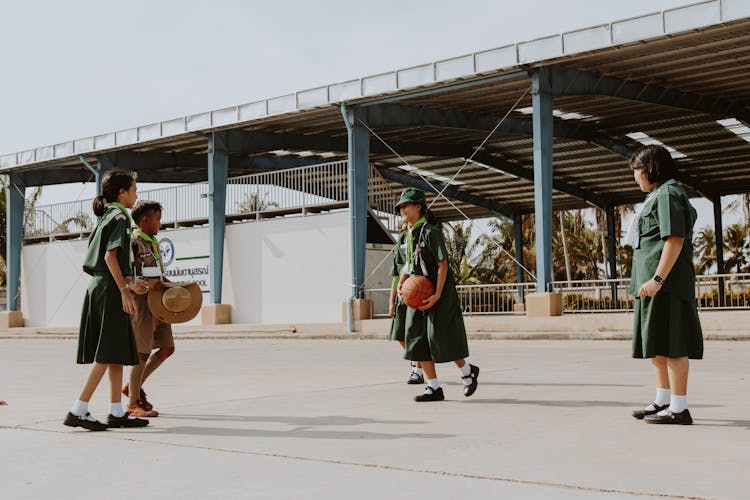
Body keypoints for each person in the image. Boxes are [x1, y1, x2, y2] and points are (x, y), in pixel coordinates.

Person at [63, 170, 150, 431]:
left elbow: (109, 260)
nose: (136, 195)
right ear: (122, 192)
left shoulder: (106, 215)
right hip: (110, 290)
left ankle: (115, 411)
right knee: (107, 352)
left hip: (101, 286)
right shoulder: (121, 217)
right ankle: (78, 409)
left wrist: (131, 284)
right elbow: (109, 258)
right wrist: (125, 290)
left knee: (114, 353)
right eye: (134, 190)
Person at [628, 145, 703, 425]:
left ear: (651, 169)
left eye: (637, 170)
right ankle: (663, 400)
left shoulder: (669, 194)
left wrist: (658, 279)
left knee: (674, 345)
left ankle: (679, 408)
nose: (635, 176)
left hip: (666, 286)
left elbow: (674, 239)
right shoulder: (656, 196)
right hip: (651, 286)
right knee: (656, 344)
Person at [395, 188, 479, 402]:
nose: (402, 209)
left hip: (437, 291)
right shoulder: (409, 234)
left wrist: (438, 294)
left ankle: (468, 371)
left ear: (418, 207)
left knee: (440, 338)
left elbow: (442, 264)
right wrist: (403, 284)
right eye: (401, 206)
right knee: (417, 339)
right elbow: (409, 264)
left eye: (406, 205)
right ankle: (434, 388)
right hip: (418, 293)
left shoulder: (432, 232)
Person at [122, 200, 175, 418]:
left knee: (167, 348)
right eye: (158, 219)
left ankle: (132, 386)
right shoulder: (133, 242)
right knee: (142, 353)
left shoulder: (152, 241)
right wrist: (142, 282)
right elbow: (127, 274)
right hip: (142, 304)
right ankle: (133, 403)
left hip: (159, 303)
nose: (160, 224)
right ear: (145, 220)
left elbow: (156, 273)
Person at [389, 222, 423, 384]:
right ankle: (416, 359)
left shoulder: (421, 235)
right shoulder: (401, 240)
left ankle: (417, 369)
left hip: (417, 293)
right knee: (398, 334)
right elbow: (396, 274)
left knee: (415, 334)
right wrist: (392, 300)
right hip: (402, 295)